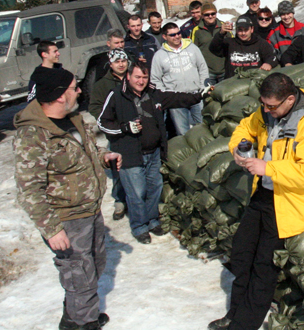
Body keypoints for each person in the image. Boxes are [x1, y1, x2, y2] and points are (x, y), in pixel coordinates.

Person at [208, 73, 304, 330]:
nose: (265, 110)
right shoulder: (269, 110)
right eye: (263, 104)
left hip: (296, 198)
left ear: (290, 99)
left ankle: (244, 324)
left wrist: (267, 168)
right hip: (268, 191)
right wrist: (239, 146)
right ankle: (235, 312)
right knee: (242, 253)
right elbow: (246, 126)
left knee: (264, 265)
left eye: (271, 106)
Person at [14, 67, 121, 330]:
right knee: (79, 276)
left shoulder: (73, 119)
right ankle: (84, 323)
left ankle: (76, 315)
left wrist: (104, 157)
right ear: (61, 95)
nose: (79, 91)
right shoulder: (34, 135)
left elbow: (88, 150)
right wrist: (52, 229)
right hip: (67, 219)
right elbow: (29, 189)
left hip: (90, 210)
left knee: (93, 266)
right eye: (75, 87)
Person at [98, 61, 204, 244]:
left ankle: (153, 221)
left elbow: (176, 98)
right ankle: (140, 226)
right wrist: (125, 128)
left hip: (154, 152)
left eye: (144, 77)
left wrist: (198, 96)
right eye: (137, 77)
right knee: (137, 193)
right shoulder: (116, 95)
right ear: (129, 76)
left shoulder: (152, 94)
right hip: (130, 154)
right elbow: (103, 122)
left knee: (155, 188)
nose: (141, 81)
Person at [89, 48, 131, 222]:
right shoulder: (102, 84)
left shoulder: (133, 78)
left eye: (123, 61)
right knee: (118, 168)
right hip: (116, 133)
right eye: (117, 62)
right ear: (110, 64)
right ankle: (120, 200)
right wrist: (109, 120)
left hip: (136, 129)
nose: (121, 65)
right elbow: (94, 107)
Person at [150, 22, 209, 135]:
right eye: (172, 35)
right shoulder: (159, 55)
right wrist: (166, 95)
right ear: (164, 37)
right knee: (183, 132)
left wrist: (202, 87)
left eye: (178, 33)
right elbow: (155, 79)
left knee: (203, 128)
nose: (177, 36)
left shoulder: (192, 48)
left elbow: (202, 68)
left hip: (195, 95)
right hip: (175, 100)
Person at [209, 15, 278, 79]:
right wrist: (221, 33)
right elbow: (213, 48)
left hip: (253, 82)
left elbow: (272, 56)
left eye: (246, 30)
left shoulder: (261, 43)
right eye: (240, 30)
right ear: (236, 30)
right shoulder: (229, 43)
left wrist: (268, 63)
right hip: (232, 84)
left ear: (252, 29)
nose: (243, 33)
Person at [192, 2, 233, 85]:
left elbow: (233, 45)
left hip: (224, 69)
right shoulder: (197, 30)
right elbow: (193, 51)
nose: (210, 16)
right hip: (208, 72)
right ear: (202, 15)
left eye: (213, 13)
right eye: (207, 14)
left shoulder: (224, 26)